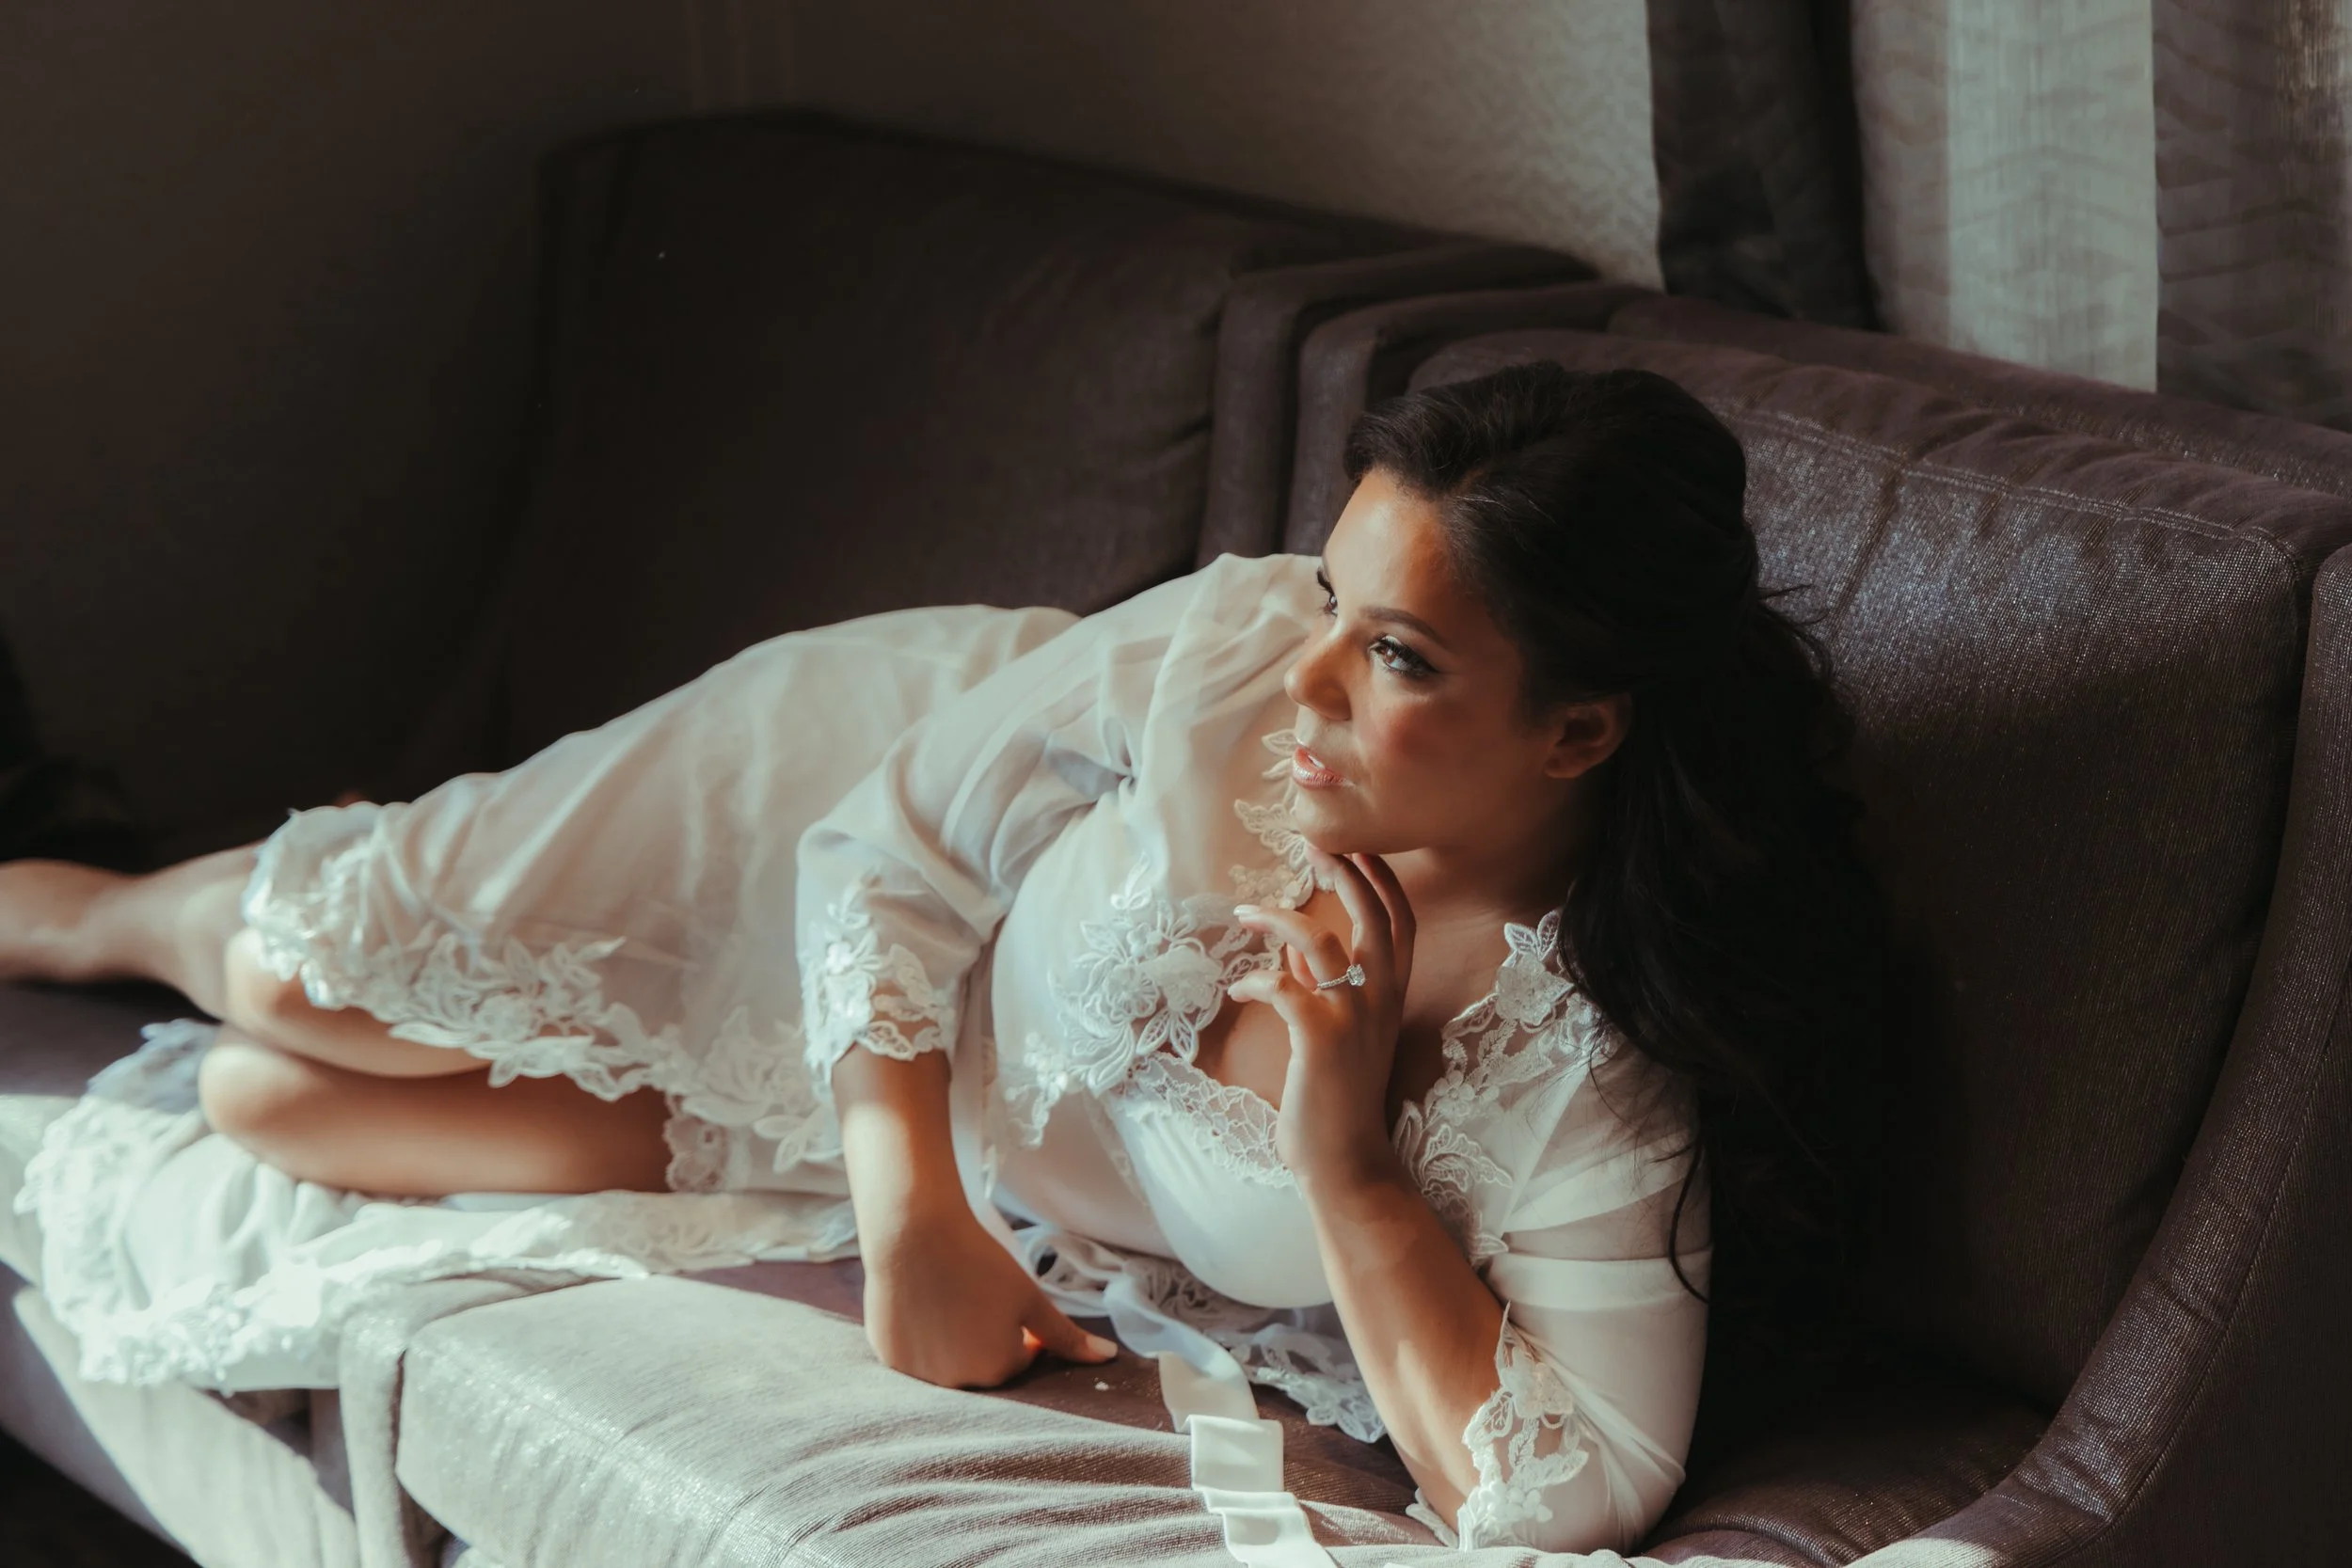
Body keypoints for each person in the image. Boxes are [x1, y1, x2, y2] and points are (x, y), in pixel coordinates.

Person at [0, 363, 1887, 1556]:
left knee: (284, 1108)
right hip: (855, 844)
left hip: (916, 1148)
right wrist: (911, 1217)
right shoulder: (1226, 658)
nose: (1300, 677)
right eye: (1333, 596)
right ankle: (85, 902)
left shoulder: (1574, 1065)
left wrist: (1345, 1167)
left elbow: (1568, 1490)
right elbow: (885, 843)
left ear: (1575, 730)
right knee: (311, 974)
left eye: (1395, 657)